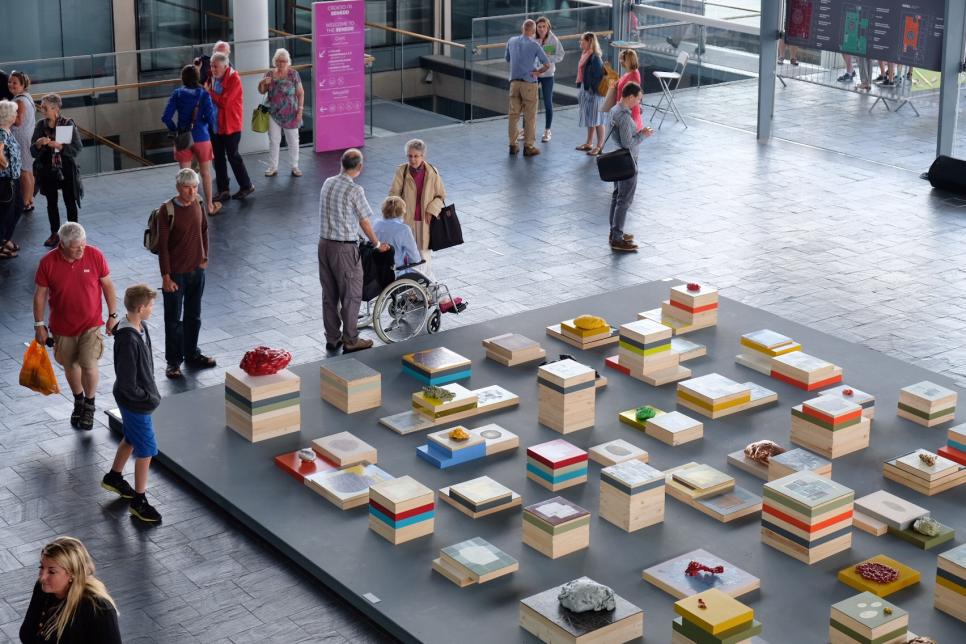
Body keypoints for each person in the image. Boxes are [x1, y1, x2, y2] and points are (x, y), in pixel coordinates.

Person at [33, 222, 118, 431]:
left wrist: (112, 315)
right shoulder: (47, 262)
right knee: (70, 365)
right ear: (62, 244)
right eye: (75, 246)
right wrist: (39, 325)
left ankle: (89, 404)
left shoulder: (95, 255)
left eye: (83, 244)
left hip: (91, 324)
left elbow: (107, 285)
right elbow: (40, 295)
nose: (82, 249)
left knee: (89, 364)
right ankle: (78, 400)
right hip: (62, 326)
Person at [102, 284, 163, 523]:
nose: (152, 309)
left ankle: (114, 477)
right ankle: (139, 500)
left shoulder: (140, 326)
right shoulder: (128, 339)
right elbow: (127, 382)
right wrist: (146, 397)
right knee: (146, 449)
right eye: (150, 306)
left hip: (135, 400)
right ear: (140, 307)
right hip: (136, 403)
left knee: (130, 438)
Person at [318, 149, 388, 354]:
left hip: (324, 245)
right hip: (344, 250)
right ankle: (350, 340)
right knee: (351, 295)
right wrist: (377, 244)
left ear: (341, 164)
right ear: (359, 167)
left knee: (329, 295)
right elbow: (364, 221)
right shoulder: (355, 190)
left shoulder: (328, 182)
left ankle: (332, 338)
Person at [157, 168, 216, 379]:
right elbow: (163, 247)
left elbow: (204, 231)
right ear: (178, 188)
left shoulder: (199, 203)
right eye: (186, 188)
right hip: (175, 275)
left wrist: (204, 258)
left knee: (194, 316)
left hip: (196, 271)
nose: (191, 192)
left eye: (194, 187)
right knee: (173, 320)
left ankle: (192, 353)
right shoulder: (167, 210)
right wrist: (166, 277)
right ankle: (173, 362)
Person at [19, 536, 121, 643]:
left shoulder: (99, 610)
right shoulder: (43, 588)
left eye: (52, 572)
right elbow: (27, 633)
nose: (42, 577)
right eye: (41, 567)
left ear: (72, 573)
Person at [161, 65, 221, 215]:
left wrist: (175, 129)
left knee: (185, 176)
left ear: (183, 78)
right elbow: (211, 118)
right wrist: (204, 125)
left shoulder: (177, 94)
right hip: (202, 137)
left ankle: (187, 208)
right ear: (197, 78)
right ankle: (210, 207)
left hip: (183, 137)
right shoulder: (204, 95)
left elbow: (166, 117)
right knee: (206, 174)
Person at [387, 138, 446, 281]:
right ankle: (411, 292)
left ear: (423, 156)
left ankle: (427, 290)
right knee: (405, 258)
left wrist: (432, 209)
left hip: (425, 223)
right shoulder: (402, 171)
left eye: (416, 156)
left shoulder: (432, 172)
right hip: (406, 222)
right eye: (410, 156)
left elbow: (441, 196)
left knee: (424, 258)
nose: (412, 159)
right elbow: (393, 195)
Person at [31, 94, 83, 248]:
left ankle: (74, 234)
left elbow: (77, 148)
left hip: (65, 167)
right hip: (47, 169)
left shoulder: (66, 124)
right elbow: (32, 151)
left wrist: (60, 146)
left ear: (56, 109)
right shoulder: (41, 125)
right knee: (51, 202)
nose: (42, 109)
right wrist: (39, 144)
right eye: (41, 106)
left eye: (45, 107)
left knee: (70, 201)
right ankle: (55, 233)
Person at [607, 82, 652, 252]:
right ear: (630, 96)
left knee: (617, 197)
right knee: (624, 200)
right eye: (638, 99)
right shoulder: (624, 116)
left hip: (617, 160)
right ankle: (617, 237)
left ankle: (614, 232)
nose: (638, 103)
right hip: (627, 161)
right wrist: (643, 135)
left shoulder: (614, 110)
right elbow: (628, 143)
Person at [208, 52, 254, 202]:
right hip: (216, 125)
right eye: (211, 66)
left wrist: (209, 92)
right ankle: (223, 190)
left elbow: (224, 103)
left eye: (216, 66)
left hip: (230, 126)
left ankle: (246, 185)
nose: (212, 69)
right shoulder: (213, 77)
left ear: (225, 66)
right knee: (219, 158)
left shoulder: (234, 79)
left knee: (233, 156)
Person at [505, 19, 550, 156]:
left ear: (522, 28)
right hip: (529, 84)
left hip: (514, 83)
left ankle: (513, 146)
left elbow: (507, 59)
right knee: (530, 117)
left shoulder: (511, 41)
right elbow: (547, 64)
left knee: (513, 116)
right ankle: (528, 147)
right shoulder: (535, 45)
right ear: (533, 30)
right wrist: (538, 72)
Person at [258, 47, 304, 177]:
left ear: (288, 61)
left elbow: (300, 93)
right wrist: (263, 82)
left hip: (291, 112)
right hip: (273, 112)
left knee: (293, 140)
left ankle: (295, 166)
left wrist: (300, 110)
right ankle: (273, 166)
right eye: (278, 61)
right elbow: (261, 91)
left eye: (283, 61)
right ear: (275, 61)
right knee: (274, 140)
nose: (281, 63)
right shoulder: (269, 74)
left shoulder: (293, 74)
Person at [373, 196, 422, 277]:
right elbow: (415, 258)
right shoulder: (403, 229)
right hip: (395, 272)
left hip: (376, 269)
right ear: (402, 212)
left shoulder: (376, 224)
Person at [576, 32, 607, 156]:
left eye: (583, 40)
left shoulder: (595, 58)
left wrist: (591, 89)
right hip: (587, 90)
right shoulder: (585, 54)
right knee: (590, 118)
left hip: (594, 93)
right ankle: (589, 143)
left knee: (598, 120)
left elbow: (599, 76)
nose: (580, 42)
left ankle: (599, 146)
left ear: (590, 42)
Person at [534, 17, 564, 143]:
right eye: (539, 26)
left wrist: (548, 60)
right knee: (529, 103)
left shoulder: (553, 40)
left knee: (547, 103)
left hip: (547, 75)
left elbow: (561, 55)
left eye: (543, 26)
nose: (541, 29)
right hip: (534, 75)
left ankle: (547, 130)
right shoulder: (532, 38)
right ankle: (526, 130)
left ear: (548, 27)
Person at [9, 71, 35, 214]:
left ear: (23, 85)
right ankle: (30, 200)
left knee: (24, 172)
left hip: (20, 137)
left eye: (14, 82)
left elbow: (18, 122)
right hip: (27, 135)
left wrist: (5, 116)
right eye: (10, 82)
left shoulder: (19, 100)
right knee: (29, 171)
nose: (11, 85)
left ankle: (25, 203)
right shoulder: (27, 96)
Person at [0, 99, 23, 260]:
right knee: (4, 213)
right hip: (5, 180)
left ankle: (5, 239)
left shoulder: (7, 131)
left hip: (13, 179)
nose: (17, 115)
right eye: (15, 112)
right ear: (7, 116)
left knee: (17, 208)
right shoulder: (1, 132)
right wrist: (6, 164)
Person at [614, 49, 643, 131]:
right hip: (623, 109)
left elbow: (633, 96)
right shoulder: (629, 73)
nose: (621, 61)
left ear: (629, 61)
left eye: (623, 59)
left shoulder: (634, 75)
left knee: (627, 139)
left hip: (629, 111)